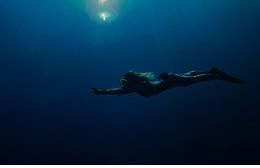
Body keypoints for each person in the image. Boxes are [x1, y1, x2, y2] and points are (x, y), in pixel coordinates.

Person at [91, 68, 246, 97]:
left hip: (171, 81)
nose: (123, 83)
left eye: (124, 80)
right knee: (190, 75)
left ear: (130, 80)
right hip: (169, 79)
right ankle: (211, 72)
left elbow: (120, 91)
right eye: (122, 80)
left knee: (194, 79)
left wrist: (103, 92)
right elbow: (120, 89)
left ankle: (218, 76)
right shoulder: (140, 84)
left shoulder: (134, 86)